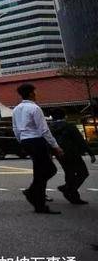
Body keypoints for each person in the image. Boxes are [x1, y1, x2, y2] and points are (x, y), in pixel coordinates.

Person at [12, 83, 64, 214]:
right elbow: (44, 130)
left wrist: (21, 141)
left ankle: (37, 201)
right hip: (37, 140)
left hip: (25, 140)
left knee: (39, 171)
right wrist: (55, 146)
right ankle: (33, 193)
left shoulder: (16, 109)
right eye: (35, 91)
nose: (36, 94)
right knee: (49, 170)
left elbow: (15, 128)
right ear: (31, 93)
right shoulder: (35, 108)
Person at [50, 108, 94, 205]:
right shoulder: (69, 126)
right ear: (64, 116)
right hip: (72, 153)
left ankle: (73, 196)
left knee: (69, 173)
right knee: (83, 173)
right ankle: (69, 189)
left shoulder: (50, 128)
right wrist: (90, 153)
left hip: (59, 154)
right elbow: (80, 140)